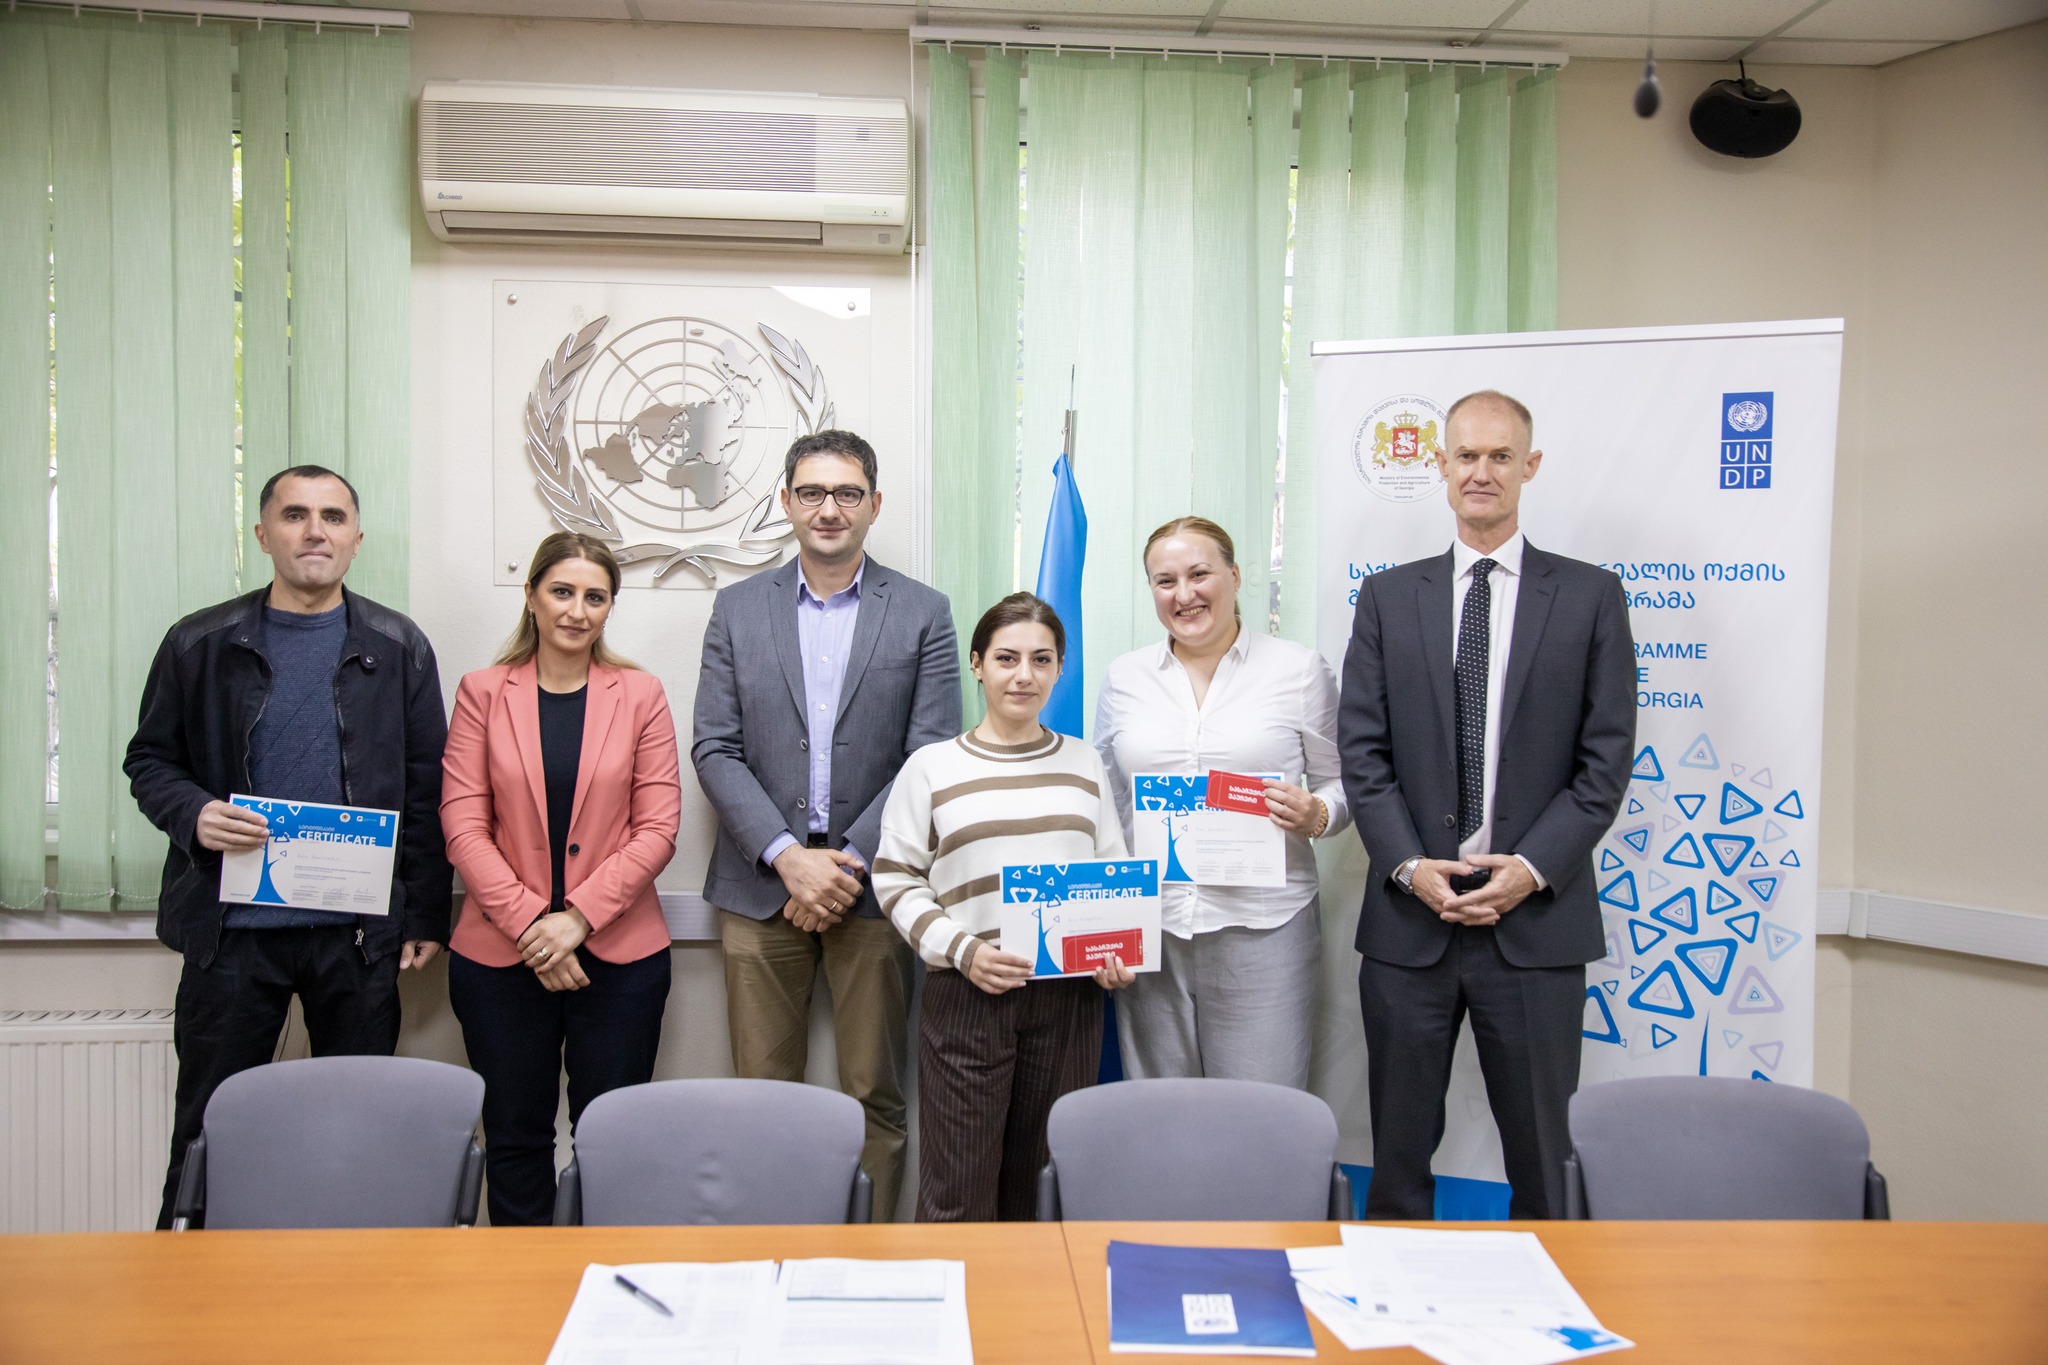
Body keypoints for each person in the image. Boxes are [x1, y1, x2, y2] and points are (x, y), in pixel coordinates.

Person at [125, 465, 452, 1229]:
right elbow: (150, 761)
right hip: (231, 935)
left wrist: (425, 913)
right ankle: (187, 1283)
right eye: (296, 514)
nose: (315, 531)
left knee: (357, 1137)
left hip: (356, 937)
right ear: (263, 533)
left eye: (333, 517)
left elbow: (427, 786)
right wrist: (195, 813)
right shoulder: (199, 642)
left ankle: (347, 1287)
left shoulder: (400, 646)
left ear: (356, 538)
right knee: (209, 1134)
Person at [1337, 390, 1636, 1220]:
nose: (1482, 471)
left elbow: (1604, 762)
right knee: (1397, 1163)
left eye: (1501, 456)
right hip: (1410, 927)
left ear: (1529, 467)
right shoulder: (1388, 597)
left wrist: (1530, 869)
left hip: (1535, 926)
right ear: (1441, 466)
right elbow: (1363, 754)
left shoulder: (1589, 596)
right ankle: (1392, 1298)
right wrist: (1410, 866)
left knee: (1544, 1163)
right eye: (1466, 455)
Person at [692, 429, 960, 1222]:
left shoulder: (923, 611)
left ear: (875, 504)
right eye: (811, 492)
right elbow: (714, 746)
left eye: (847, 493)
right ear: (786, 501)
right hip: (759, 885)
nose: (829, 508)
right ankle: (768, 1250)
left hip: (872, 891)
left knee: (875, 1093)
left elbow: (929, 753)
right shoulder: (737, 608)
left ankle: (863, 1256)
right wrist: (787, 857)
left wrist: (843, 864)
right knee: (761, 1096)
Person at [440, 532, 680, 1227]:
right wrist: (531, 925)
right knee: (515, 1138)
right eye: (562, 592)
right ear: (532, 596)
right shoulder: (483, 692)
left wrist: (576, 919)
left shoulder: (641, 694)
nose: (577, 611)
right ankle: (527, 1285)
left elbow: (658, 826)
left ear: (610, 607)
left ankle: (600, 1280)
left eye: (595, 597)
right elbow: (462, 823)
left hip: (620, 956)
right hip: (500, 958)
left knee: (611, 1144)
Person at [872, 593, 1136, 1221]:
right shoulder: (931, 767)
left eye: (1041, 660)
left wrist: (1115, 952)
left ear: (1060, 669)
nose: (1024, 675)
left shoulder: (1084, 763)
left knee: (1039, 1191)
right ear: (977, 664)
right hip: (969, 995)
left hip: (1068, 999)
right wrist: (963, 952)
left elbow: (1112, 873)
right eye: (1007, 658)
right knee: (957, 1194)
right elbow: (895, 878)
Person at [1093, 516, 1351, 1089]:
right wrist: (1110, 923)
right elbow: (1109, 810)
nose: (1183, 594)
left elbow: (1343, 784)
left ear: (1235, 576)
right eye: (1165, 581)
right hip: (1155, 929)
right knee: (1163, 1111)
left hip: (1265, 928)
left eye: (1199, 574)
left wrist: (1317, 814)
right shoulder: (1125, 677)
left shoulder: (1298, 670)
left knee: (1260, 1111)